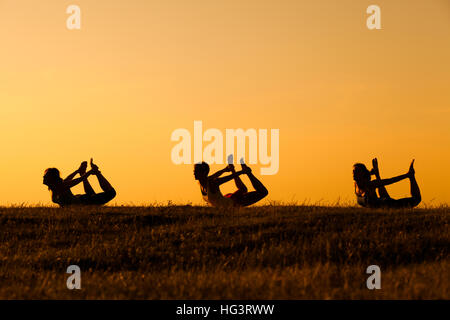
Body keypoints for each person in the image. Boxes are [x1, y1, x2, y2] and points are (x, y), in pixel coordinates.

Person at [194, 159, 268, 208]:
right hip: (227, 199)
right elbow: (215, 175)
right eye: (194, 170)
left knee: (263, 192)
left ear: (203, 173)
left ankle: (248, 173)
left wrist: (242, 172)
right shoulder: (201, 182)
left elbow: (229, 177)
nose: (194, 172)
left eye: (196, 171)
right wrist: (225, 169)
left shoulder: (212, 183)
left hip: (234, 203)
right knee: (243, 189)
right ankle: (244, 170)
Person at [43, 158, 116, 207]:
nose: (43, 177)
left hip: (85, 201)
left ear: (52, 178)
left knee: (112, 193)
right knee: (92, 194)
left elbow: (79, 180)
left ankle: (97, 173)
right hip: (82, 200)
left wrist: (90, 172)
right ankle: (85, 172)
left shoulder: (60, 186)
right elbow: (67, 179)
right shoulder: (54, 187)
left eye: (45, 176)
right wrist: (77, 171)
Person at [353, 158, 421, 208]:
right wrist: (374, 173)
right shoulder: (355, 184)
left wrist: (407, 175)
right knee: (383, 194)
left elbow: (390, 180)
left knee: (417, 199)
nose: (353, 173)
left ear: (362, 174)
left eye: (356, 171)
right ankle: (377, 174)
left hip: (390, 204)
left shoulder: (370, 185)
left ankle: (411, 176)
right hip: (383, 202)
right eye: (353, 171)